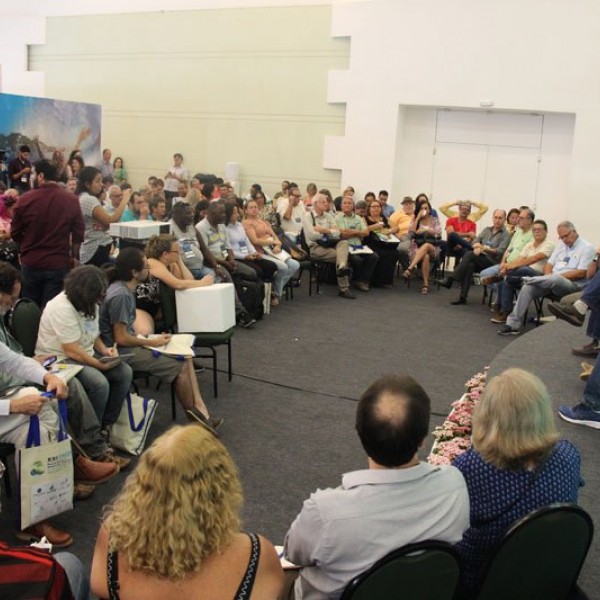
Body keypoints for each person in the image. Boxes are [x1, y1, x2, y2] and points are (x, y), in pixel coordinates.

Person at [284, 374, 469, 600]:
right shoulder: (455, 485)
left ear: (359, 432)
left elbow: (294, 554)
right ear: (423, 438)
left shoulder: (325, 514)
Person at [91, 424, 284, 600]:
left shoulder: (112, 536)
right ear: (220, 487)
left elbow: (100, 586)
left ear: (142, 483)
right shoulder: (255, 555)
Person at [454, 368, 581, 594]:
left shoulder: (470, 467)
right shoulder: (568, 455)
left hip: (480, 582)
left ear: (487, 415)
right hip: (549, 575)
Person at [99, 247, 222, 432]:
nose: (149, 271)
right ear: (134, 272)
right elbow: (121, 338)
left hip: (127, 344)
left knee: (185, 355)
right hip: (120, 352)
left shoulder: (122, 289)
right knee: (180, 365)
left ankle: (200, 414)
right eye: (146, 268)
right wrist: (151, 342)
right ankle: (198, 423)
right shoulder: (121, 295)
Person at [35, 266, 133, 449]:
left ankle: (104, 426)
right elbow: (71, 350)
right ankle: (90, 439)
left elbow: (92, 334)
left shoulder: (89, 302)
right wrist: (98, 364)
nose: (98, 301)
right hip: (58, 358)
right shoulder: (60, 307)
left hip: (82, 353)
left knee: (124, 373)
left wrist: (105, 351)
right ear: (84, 294)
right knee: (98, 383)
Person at [498, 221, 596, 335]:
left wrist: (553, 277)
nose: (564, 239)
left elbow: (581, 273)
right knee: (527, 288)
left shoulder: (587, 247)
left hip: (572, 285)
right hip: (550, 281)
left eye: (566, 236)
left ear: (574, 231)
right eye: (561, 237)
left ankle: (526, 279)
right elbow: (549, 265)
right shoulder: (561, 246)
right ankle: (512, 324)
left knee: (555, 279)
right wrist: (549, 276)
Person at [11, 159, 85, 307]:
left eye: (33, 174)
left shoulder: (24, 200)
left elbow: (15, 233)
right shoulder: (71, 200)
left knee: (30, 308)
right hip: (58, 264)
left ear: (41, 176)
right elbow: (78, 234)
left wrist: (24, 248)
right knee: (52, 310)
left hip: (31, 263)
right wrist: (73, 257)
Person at [436, 209, 511, 304]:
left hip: (492, 262)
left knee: (469, 254)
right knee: (470, 264)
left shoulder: (506, 235)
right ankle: (462, 298)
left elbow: (500, 252)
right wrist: (477, 246)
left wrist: (483, 248)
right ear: (492, 218)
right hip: (479, 257)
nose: (497, 220)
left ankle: (450, 279)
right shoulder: (486, 230)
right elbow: (476, 239)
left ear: (505, 219)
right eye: (495, 217)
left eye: (500, 218)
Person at [490, 219, 554, 323]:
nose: (536, 232)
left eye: (539, 229)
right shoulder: (529, 245)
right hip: (522, 275)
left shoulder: (549, 244)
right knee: (506, 281)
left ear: (546, 231)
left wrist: (508, 268)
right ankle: (505, 311)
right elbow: (519, 259)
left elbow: (533, 259)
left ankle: (500, 275)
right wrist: (507, 266)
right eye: (534, 230)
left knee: (523, 268)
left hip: (538, 276)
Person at [243, 199, 300, 303]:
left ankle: (273, 288)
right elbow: (255, 240)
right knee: (283, 267)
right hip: (260, 252)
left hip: (272, 249)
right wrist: (271, 242)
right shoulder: (247, 223)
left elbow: (275, 236)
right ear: (246, 210)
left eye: (255, 207)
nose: (254, 209)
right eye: (251, 207)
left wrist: (277, 245)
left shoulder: (262, 221)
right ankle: (277, 295)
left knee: (295, 265)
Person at [302, 193, 355, 299]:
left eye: (326, 202)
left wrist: (323, 230)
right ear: (315, 204)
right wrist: (330, 231)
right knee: (342, 257)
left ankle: (341, 269)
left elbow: (338, 233)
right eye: (323, 202)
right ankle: (344, 287)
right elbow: (313, 236)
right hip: (315, 248)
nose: (326, 204)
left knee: (344, 243)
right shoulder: (308, 217)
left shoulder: (329, 216)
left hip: (330, 245)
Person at [225, 203, 279, 303]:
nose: (237, 215)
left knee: (271, 266)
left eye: (237, 212)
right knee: (257, 271)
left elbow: (246, 241)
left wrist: (254, 252)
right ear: (227, 215)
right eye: (234, 213)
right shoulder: (225, 229)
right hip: (239, 257)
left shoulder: (239, 225)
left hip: (249, 254)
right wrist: (245, 256)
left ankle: (266, 292)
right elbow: (229, 250)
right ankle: (260, 295)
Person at [77, 166, 129, 266]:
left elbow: (104, 225)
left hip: (100, 249)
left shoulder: (87, 198)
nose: (101, 185)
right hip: (95, 251)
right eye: (98, 181)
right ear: (87, 184)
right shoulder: (88, 199)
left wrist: (103, 225)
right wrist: (124, 200)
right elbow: (110, 221)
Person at [334, 196, 379, 292]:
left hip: (359, 246)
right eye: (344, 203)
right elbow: (342, 234)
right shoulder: (337, 218)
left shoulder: (358, 218)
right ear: (341, 206)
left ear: (353, 206)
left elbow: (366, 232)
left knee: (374, 256)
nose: (347, 205)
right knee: (356, 259)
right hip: (346, 247)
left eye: (349, 203)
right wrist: (358, 232)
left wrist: (352, 231)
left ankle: (362, 280)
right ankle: (356, 280)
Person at [403, 196, 442, 294]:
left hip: (433, 247)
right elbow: (411, 232)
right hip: (416, 248)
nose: (424, 210)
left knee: (427, 245)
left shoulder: (434, 219)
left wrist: (426, 229)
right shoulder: (416, 218)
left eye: (426, 208)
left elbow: (439, 233)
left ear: (430, 210)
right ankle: (425, 285)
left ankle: (410, 268)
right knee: (426, 256)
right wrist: (417, 219)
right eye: (421, 208)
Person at [364, 199, 401, 287]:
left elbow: (397, 227)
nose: (376, 209)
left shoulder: (385, 218)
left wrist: (389, 230)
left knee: (394, 253)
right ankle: (375, 281)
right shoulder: (365, 218)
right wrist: (374, 226)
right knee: (381, 253)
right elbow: (364, 229)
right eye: (373, 207)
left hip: (385, 241)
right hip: (372, 241)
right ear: (369, 208)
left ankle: (386, 281)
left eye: (378, 207)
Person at [388, 196, 416, 270]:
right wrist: (396, 235)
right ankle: (407, 269)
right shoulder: (396, 214)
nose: (408, 206)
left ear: (413, 205)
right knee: (402, 249)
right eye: (406, 204)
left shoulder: (417, 214)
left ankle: (422, 270)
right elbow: (389, 228)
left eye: (410, 204)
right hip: (403, 237)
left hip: (416, 236)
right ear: (403, 205)